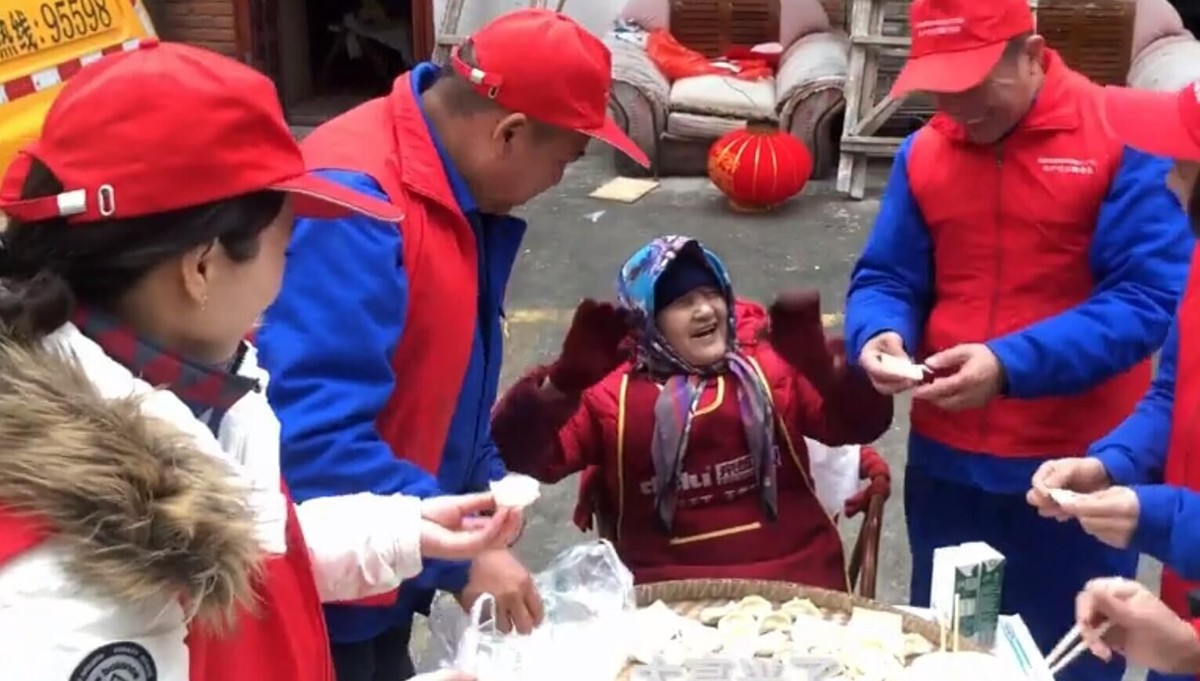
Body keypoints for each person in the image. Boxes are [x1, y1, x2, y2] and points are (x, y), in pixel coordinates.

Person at [0, 40, 519, 681]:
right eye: (287, 242)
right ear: (202, 267)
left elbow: (245, 547)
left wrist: (405, 530)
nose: (290, 270)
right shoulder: (64, 570)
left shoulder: (180, 402)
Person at [254, 8, 651, 679]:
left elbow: (439, 380)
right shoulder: (357, 206)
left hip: (387, 562)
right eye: (562, 161)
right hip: (327, 591)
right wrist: (460, 555)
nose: (556, 183)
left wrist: (485, 489)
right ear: (509, 133)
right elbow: (312, 438)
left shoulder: (450, 188)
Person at [842, 0, 1194, 677]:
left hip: (1075, 467)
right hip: (947, 464)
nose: (956, 105)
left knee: (1073, 657)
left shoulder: (1120, 139)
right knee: (947, 654)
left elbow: (1146, 300)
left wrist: (1009, 366)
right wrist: (878, 330)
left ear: (1032, 55)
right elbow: (888, 275)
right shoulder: (925, 151)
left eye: (973, 82)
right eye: (940, 85)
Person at [490, 235, 893, 588]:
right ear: (648, 318)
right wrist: (560, 386)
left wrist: (821, 369)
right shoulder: (610, 389)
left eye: (712, 294)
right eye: (683, 302)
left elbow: (861, 424)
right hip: (665, 600)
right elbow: (523, 457)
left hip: (797, 582)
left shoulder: (769, 363)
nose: (705, 311)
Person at [1031, 80, 1200, 681]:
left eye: (1185, 164)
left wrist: (1158, 518)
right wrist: (1111, 465)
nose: (1169, 181)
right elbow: (1174, 393)